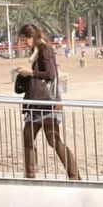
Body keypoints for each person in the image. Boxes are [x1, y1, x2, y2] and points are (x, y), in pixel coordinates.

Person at [15, 24, 80, 180]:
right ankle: (31, 174)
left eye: (26, 40)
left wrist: (30, 72)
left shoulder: (44, 50)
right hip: (39, 104)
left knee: (53, 140)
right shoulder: (37, 52)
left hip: (46, 104)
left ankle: (74, 175)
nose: (25, 43)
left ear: (32, 36)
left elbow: (50, 74)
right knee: (30, 137)